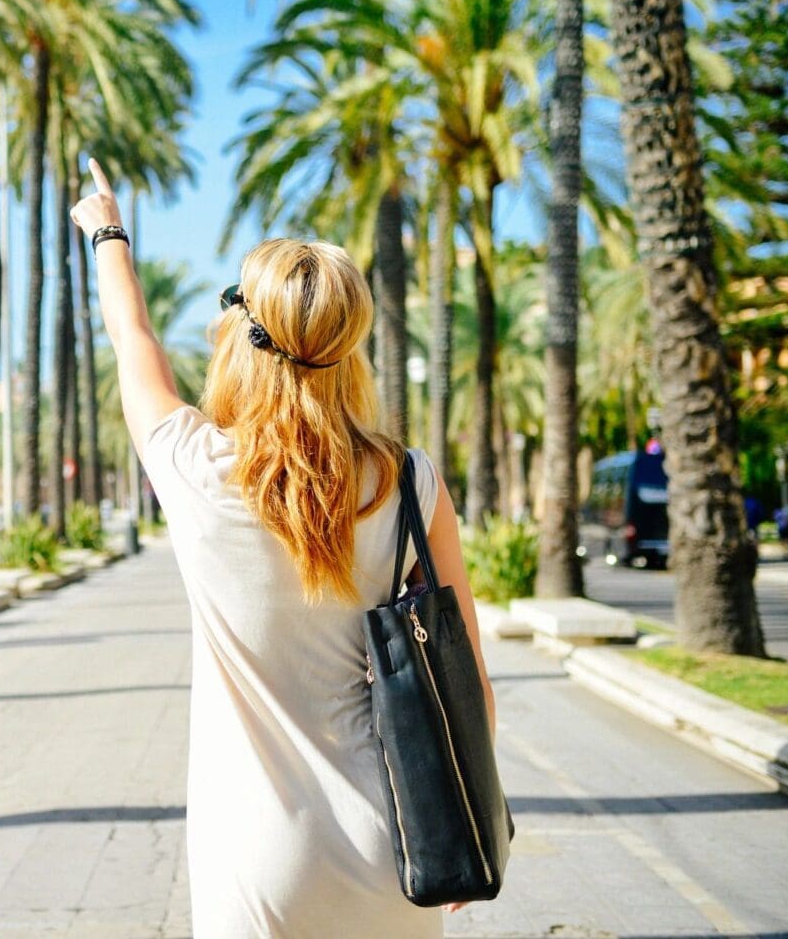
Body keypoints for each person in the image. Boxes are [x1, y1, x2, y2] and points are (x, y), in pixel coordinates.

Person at [74, 158, 496, 937]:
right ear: (350, 343)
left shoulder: (194, 466)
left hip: (255, 858)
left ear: (240, 336)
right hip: (398, 850)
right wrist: (471, 819)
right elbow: (465, 678)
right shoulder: (408, 483)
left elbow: (131, 336)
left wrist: (106, 228)